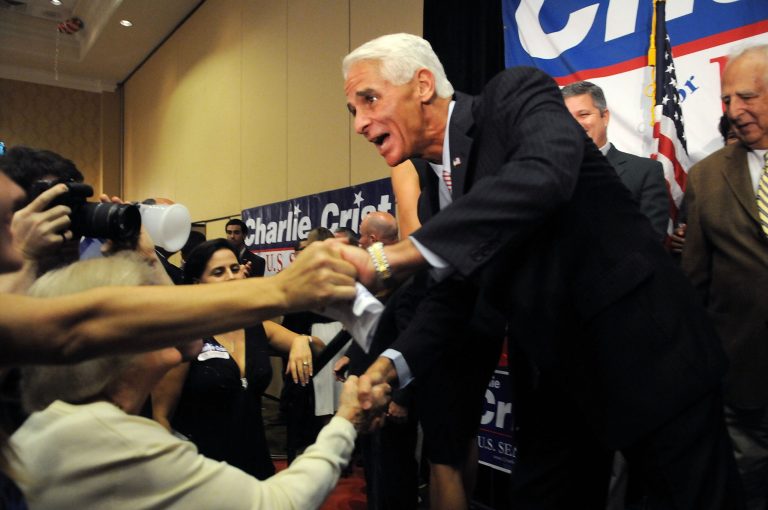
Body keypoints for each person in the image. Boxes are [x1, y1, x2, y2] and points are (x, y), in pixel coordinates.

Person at [340, 33, 742, 508]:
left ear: (423, 84)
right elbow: (450, 297)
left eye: (370, 100)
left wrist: (397, 255)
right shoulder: (435, 193)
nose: (361, 124)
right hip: (561, 383)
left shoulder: (512, 97)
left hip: (651, 357)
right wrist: (387, 369)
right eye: (354, 111)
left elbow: (545, 173)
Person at [10, 252, 371, 510]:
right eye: (152, 312)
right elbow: (280, 502)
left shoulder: (52, 422)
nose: (170, 315)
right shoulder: (118, 443)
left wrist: (302, 342)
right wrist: (345, 421)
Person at [152, 239, 324, 479]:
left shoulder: (256, 325)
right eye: (218, 272)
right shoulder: (186, 336)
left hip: (254, 465)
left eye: (234, 269)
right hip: (201, 471)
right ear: (197, 283)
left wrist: (301, 341)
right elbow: (160, 417)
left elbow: (319, 348)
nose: (232, 277)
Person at [682, 44, 768, 509]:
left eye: (747, 97)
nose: (735, 111)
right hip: (743, 376)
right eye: (726, 100)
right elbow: (694, 281)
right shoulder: (707, 178)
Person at [562, 81, 669, 241]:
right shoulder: (546, 174)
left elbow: (650, 241)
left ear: (604, 117)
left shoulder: (645, 172)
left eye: (583, 115)